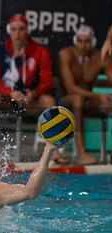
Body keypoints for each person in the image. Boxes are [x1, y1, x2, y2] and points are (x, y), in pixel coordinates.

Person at [0, 13, 70, 164]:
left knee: (49, 102)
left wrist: (34, 93)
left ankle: (53, 150)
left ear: (27, 30)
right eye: (14, 29)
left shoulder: (40, 52)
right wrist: (10, 92)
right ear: (9, 30)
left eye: (21, 29)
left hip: (31, 100)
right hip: (8, 98)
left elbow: (47, 81)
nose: (17, 34)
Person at [58, 25, 112, 165]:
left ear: (93, 42)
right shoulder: (66, 54)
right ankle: (81, 154)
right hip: (66, 101)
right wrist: (98, 96)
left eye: (87, 41)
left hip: (88, 101)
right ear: (75, 40)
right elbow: (71, 88)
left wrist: (106, 97)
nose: (83, 45)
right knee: (78, 99)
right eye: (80, 41)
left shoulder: (100, 57)